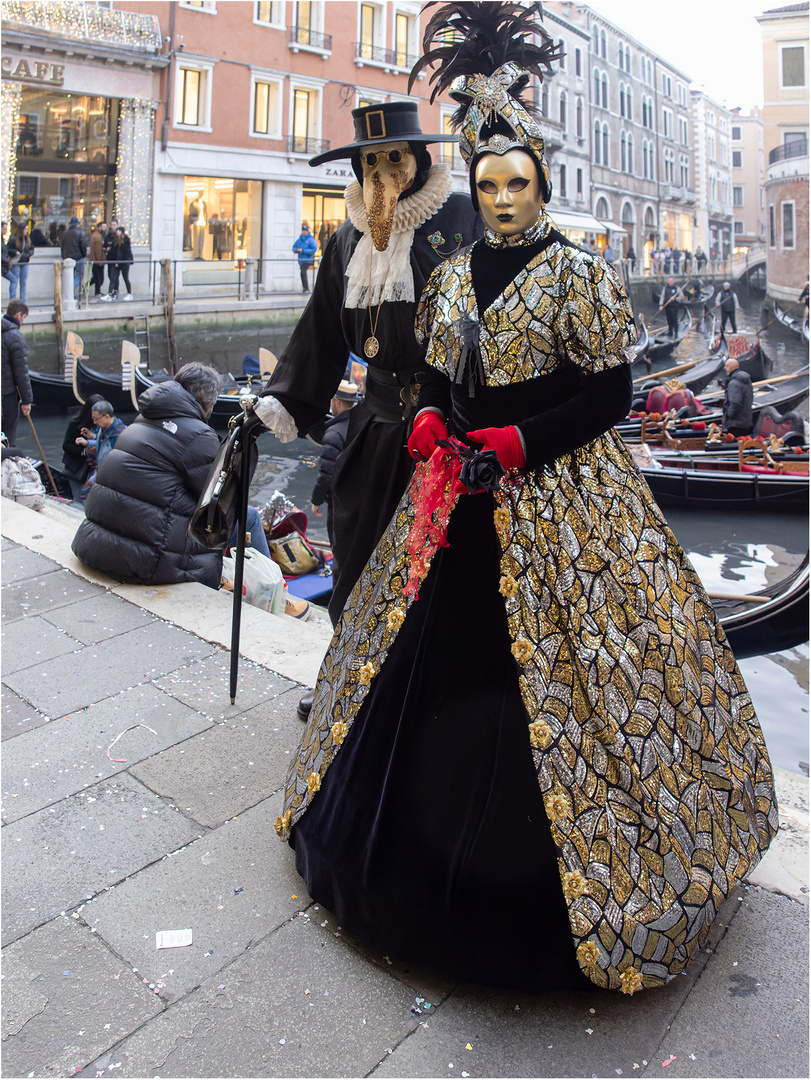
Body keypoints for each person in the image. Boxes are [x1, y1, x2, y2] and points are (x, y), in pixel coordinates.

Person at [275, 1, 776, 998]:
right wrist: (435, 419)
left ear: (536, 184)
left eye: (518, 182)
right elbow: (433, 369)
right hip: (450, 481)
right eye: (490, 180)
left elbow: (609, 392)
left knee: (579, 677)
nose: (501, 197)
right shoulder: (450, 273)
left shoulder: (577, 272)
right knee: (398, 635)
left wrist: (520, 439)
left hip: (562, 495)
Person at [253, 100, 480, 627]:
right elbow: (320, 332)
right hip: (377, 424)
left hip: (450, 423)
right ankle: (349, 686)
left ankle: (417, 700)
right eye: (370, 164)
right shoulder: (348, 237)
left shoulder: (463, 216)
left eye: (393, 160)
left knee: (440, 570)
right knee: (357, 555)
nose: (382, 175)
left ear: (419, 158)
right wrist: (281, 400)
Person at [71, 364, 278, 591]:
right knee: (249, 516)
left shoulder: (141, 419)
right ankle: (272, 586)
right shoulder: (198, 434)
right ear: (208, 404)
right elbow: (222, 500)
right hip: (144, 560)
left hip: (94, 545)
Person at [310, 379, 362, 547]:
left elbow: (326, 474)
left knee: (339, 546)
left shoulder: (333, 434)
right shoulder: (364, 425)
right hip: (362, 499)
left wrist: (316, 500)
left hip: (340, 502)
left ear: (337, 402)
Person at [1, 300, 32, 447]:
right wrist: (26, 400)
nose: (23, 321)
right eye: (24, 317)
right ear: (18, 315)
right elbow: (21, 373)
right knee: (8, 437)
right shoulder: (15, 337)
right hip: (7, 395)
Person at [61, 393, 104, 499]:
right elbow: (66, 445)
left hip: (95, 469)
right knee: (80, 499)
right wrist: (85, 452)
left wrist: (93, 438)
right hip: (77, 469)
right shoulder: (76, 424)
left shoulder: (103, 424)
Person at [74, 399, 126, 485]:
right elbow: (103, 445)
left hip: (112, 482)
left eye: (96, 419)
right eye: (93, 418)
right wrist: (88, 443)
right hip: (101, 478)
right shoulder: (103, 428)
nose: (94, 422)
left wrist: (94, 480)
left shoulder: (119, 436)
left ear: (106, 417)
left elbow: (113, 466)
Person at [721, 356, 753, 436]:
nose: (725, 368)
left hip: (735, 424)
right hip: (746, 421)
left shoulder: (734, 383)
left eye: (727, 365)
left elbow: (735, 403)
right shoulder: (746, 381)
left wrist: (728, 415)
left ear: (732, 367)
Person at [60, 216, 88, 294]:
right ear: (77, 224)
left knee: (70, 276)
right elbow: (83, 245)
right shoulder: (80, 232)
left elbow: (62, 246)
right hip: (78, 257)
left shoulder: (65, 233)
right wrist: (83, 255)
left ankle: (69, 291)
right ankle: (70, 290)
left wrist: (64, 257)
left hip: (67, 257)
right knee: (79, 275)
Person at [8, 223, 33, 303]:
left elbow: (31, 249)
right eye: (25, 229)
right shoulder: (13, 239)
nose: (26, 231)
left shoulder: (27, 240)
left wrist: (29, 254)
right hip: (17, 263)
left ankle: (23, 302)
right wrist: (15, 252)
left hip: (25, 262)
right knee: (15, 280)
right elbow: (7, 249)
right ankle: (13, 301)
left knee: (23, 283)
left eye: (27, 229)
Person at [106, 226, 133, 300]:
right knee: (113, 278)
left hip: (124, 262)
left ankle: (129, 293)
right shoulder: (115, 240)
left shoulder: (126, 240)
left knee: (125, 278)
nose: (117, 232)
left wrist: (125, 260)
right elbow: (114, 251)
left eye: (118, 231)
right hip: (116, 262)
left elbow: (126, 252)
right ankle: (110, 294)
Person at [292, 222, 318, 293]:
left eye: (305, 230)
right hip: (301, 260)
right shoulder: (299, 239)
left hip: (308, 259)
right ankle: (305, 288)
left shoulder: (311, 240)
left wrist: (303, 251)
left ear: (308, 231)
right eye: (303, 230)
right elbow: (294, 247)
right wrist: (296, 250)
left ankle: (306, 288)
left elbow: (314, 249)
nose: (304, 232)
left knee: (303, 272)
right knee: (302, 273)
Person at [88, 222, 107, 299]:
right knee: (99, 277)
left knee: (96, 277)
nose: (105, 228)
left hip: (95, 259)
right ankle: (97, 291)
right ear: (99, 227)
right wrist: (100, 261)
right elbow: (98, 250)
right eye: (103, 227)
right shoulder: (98, 237)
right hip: (98, 260)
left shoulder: (95, 235)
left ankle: (97, 291)